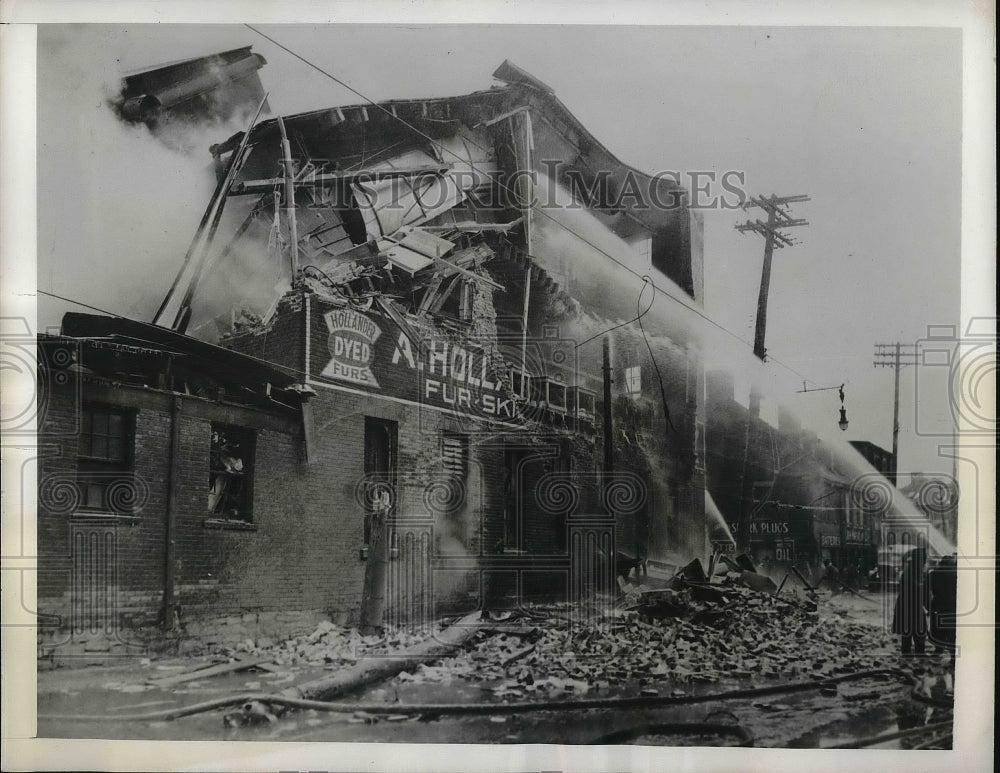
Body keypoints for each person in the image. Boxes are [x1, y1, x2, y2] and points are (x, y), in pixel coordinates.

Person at [892, 543, 929, 655]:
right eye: (923, 560)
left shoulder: (913, 570)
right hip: (910, 606)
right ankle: (915, 654)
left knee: (910, 631)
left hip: (908, 606)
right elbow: (915, 589)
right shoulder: (911, 572)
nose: (924, 563)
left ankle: (910, 655)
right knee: (914, 631)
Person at [928, 553, 957, 652]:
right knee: (951, 632)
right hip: (952, 606)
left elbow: (928, 589)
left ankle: (938, 650)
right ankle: (953, 656)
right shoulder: (957, 574)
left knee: (937, 629)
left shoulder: (933, 573)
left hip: (938, 604)